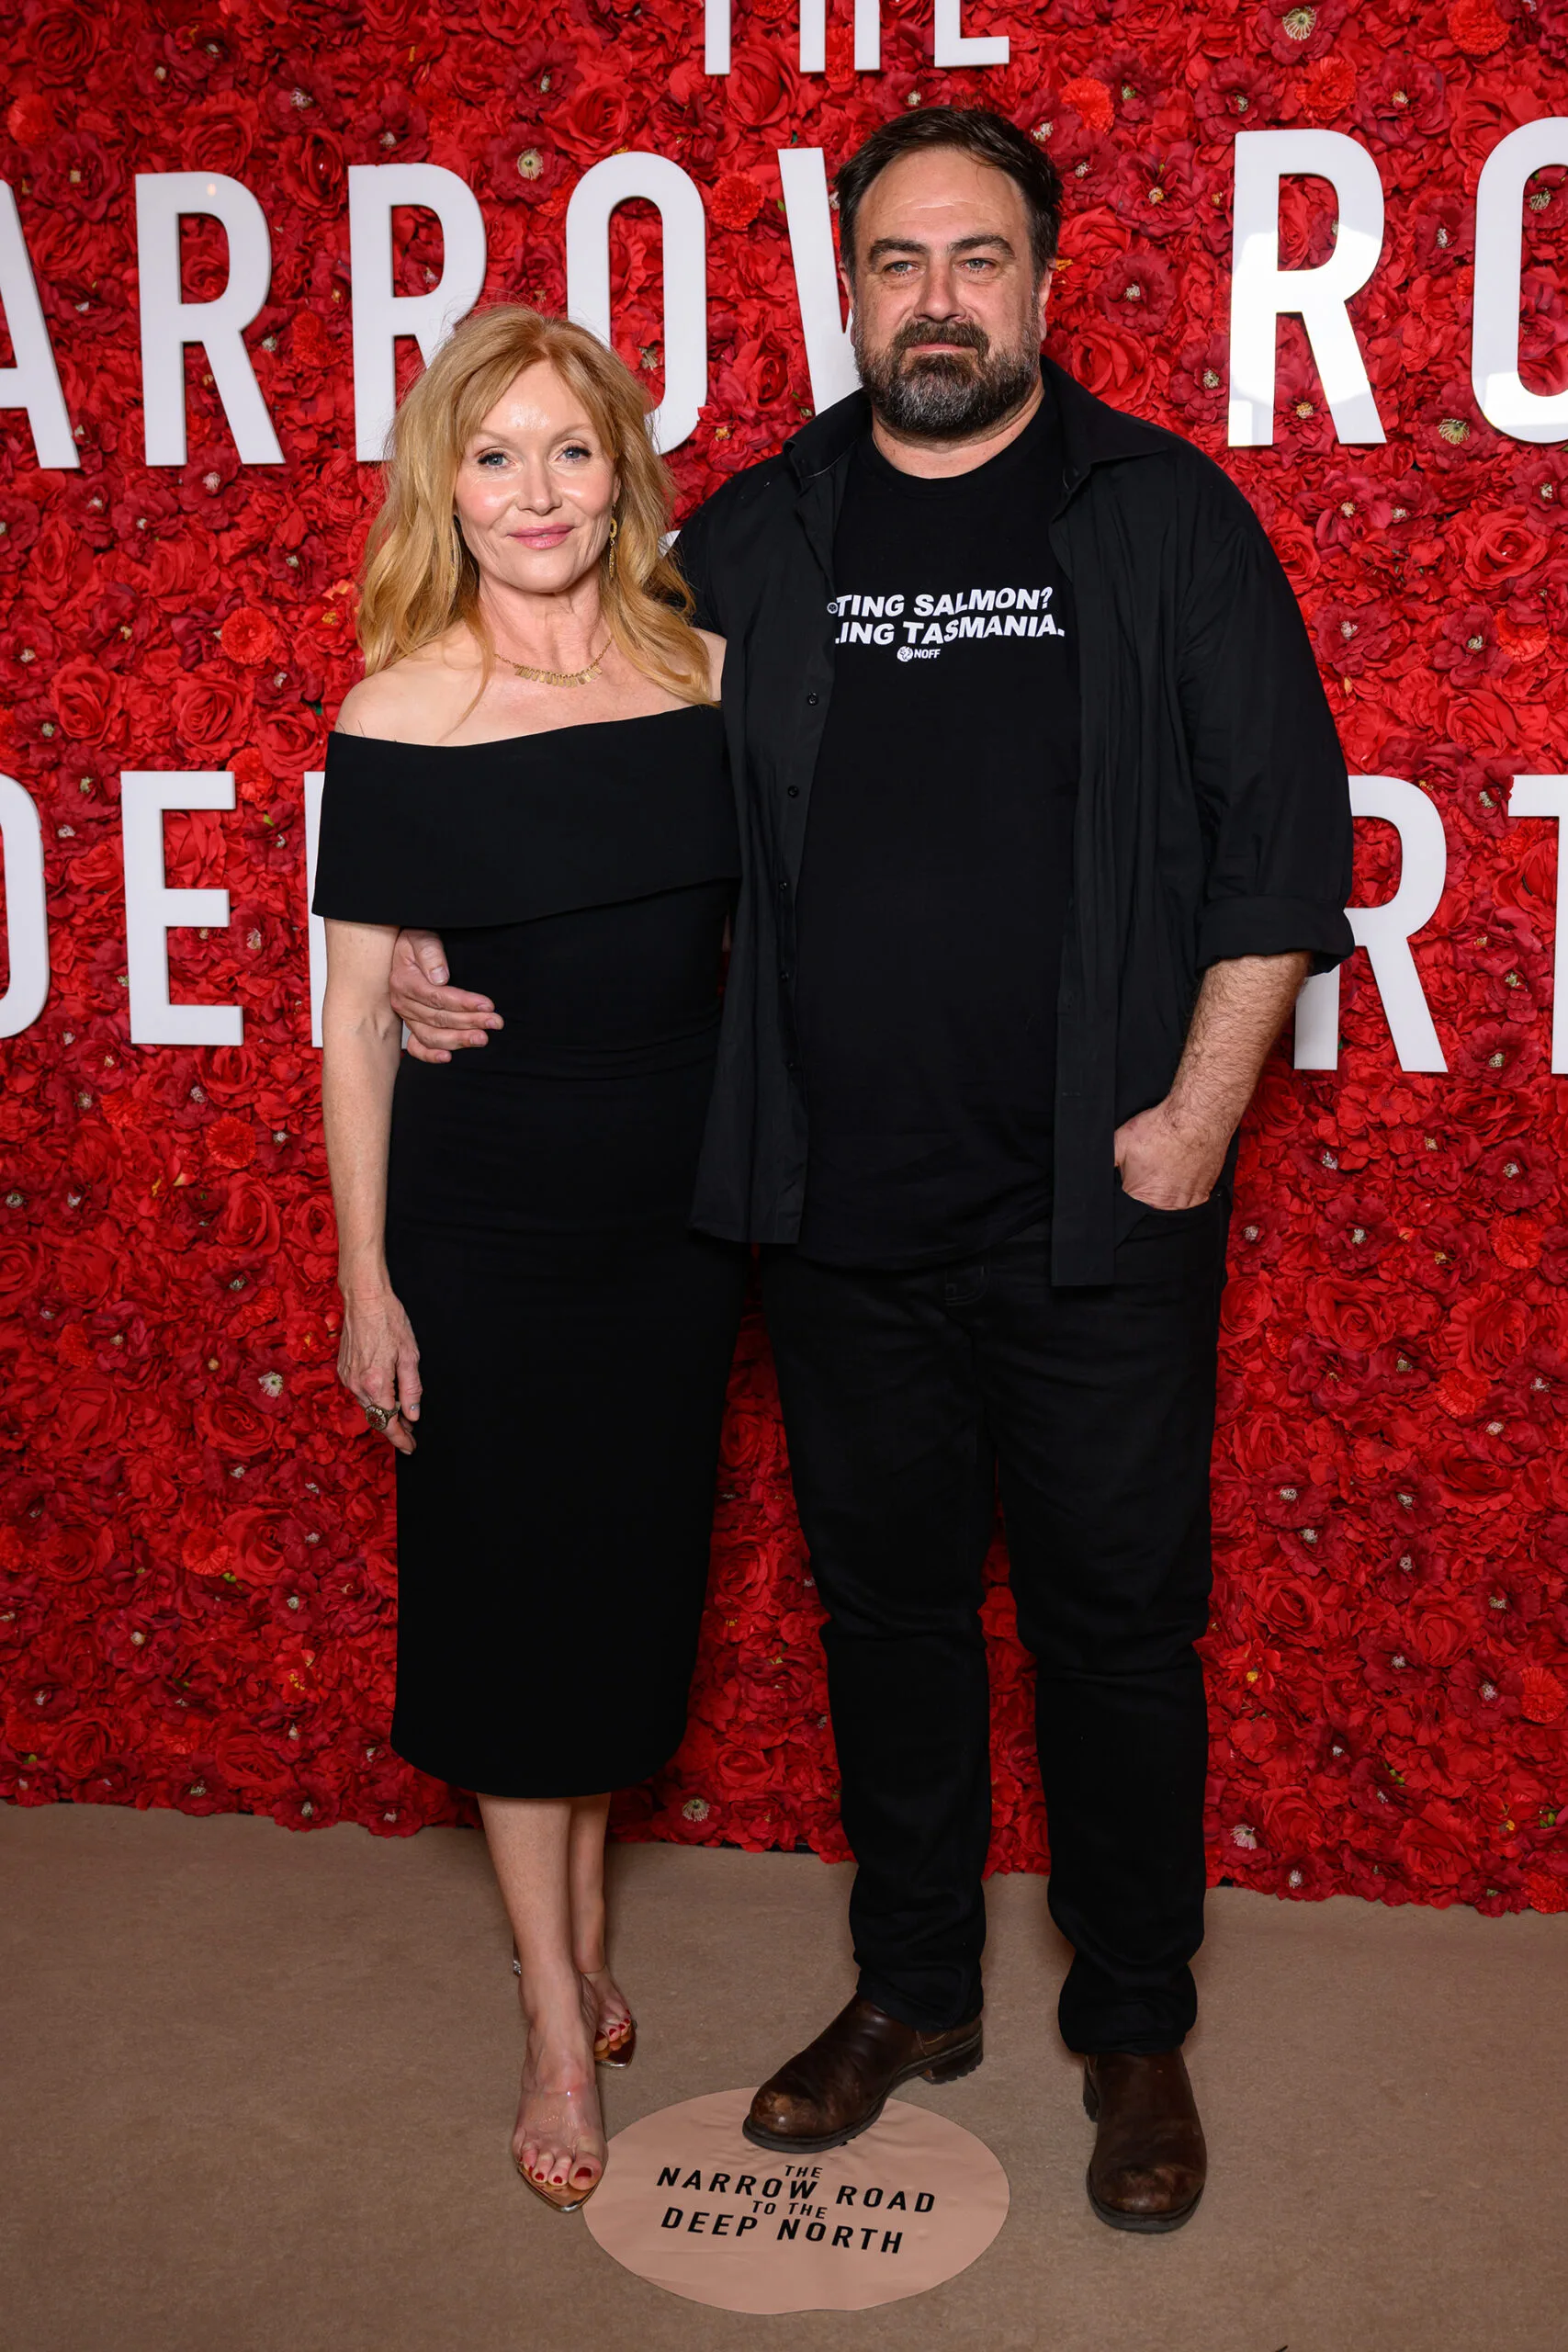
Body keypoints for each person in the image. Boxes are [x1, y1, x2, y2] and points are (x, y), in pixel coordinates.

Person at [388, 109, 1354, 2233]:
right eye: (899, 261)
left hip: (1106, 1203)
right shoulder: (754, 535)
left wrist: (1196, 1117)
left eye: (978, 259)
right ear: (848, 287)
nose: (938, 296)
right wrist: (441, 928)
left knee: (1116, 1629)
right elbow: (576, 730)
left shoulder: (1165, 519)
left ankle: (1131, 2018)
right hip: (829, 1211)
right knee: (887, 1617)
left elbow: (1280, 846)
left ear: (1040, 281)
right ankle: (915, 1984)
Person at [313, 306, 745, 2215]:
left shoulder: (709, 670)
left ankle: (566, 1940)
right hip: (482, 1229)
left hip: (673, 1229)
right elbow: (345, 1025)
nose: (537, 491)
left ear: (621, 471)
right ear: (446, 484)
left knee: (618, 1596)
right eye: (496, 455)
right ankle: (556, 2011)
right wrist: (364, 1283)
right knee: (505, 1603)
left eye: (571, 449)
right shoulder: (398, 707)